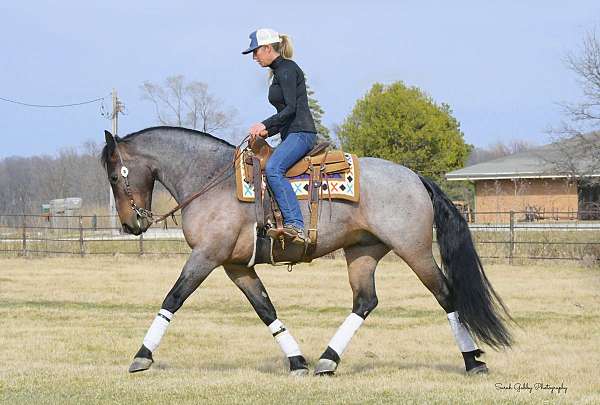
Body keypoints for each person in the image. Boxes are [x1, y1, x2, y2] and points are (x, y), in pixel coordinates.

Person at [243, 28, 317, 244]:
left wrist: (264, 124)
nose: (254, 57)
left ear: (267, 48)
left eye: (256, 52)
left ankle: (296, 225)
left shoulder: (286, 70)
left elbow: (292, 109)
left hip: (301, 133)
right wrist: (268, 131)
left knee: (274, 168)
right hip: (292, 132)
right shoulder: (280, 71)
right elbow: (284, 115)